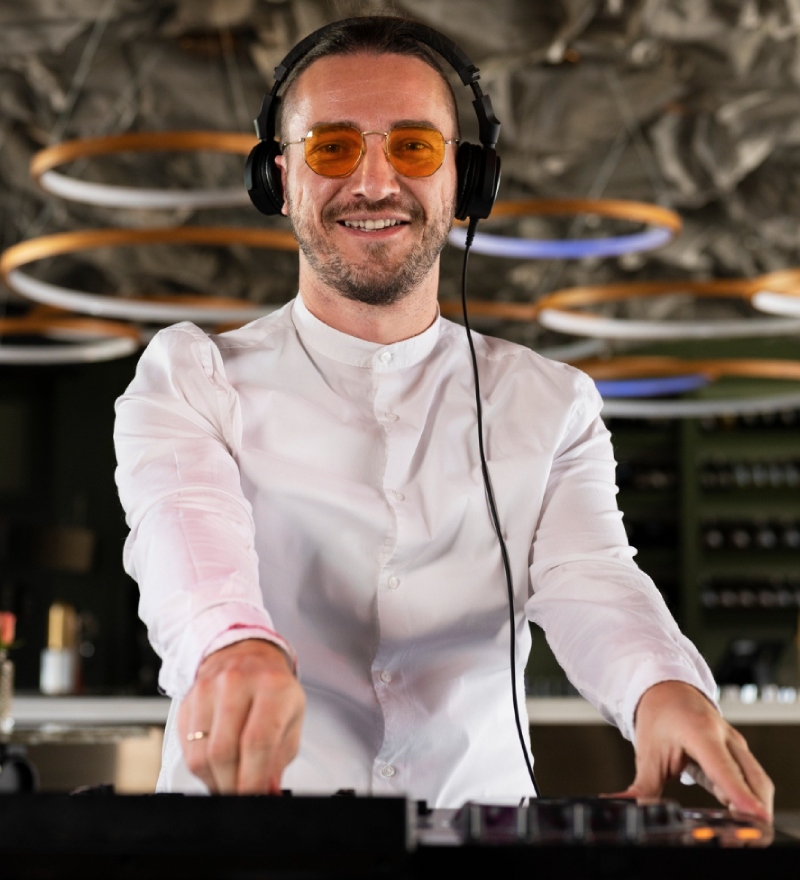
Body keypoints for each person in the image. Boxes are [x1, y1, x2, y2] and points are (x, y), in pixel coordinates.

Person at [114, 15, 773, 818]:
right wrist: (233, 646)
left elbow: (591, 577)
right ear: (278, 180)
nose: (374, 182)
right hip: (249, 837)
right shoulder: (190, 377)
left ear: (464, 180)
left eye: (414, 147)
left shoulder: (552, 404)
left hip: (480, 842)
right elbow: (186, 537)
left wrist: (663, 688)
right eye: (332, 148)